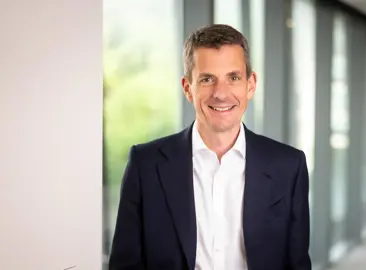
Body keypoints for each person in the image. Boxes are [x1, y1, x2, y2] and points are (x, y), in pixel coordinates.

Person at [109, 24, 311, 270]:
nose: (221, 93)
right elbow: (125, 265)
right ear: (187, 88)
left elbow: (297, 264)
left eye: (233, 78)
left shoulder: (289, 166)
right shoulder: (146, 164)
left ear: (250, 84)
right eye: (207, 79)